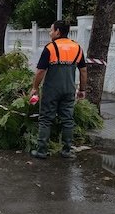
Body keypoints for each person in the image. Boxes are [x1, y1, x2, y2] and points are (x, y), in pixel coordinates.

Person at [30, 20, 88, 159]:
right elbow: (84, 71)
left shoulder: (50, 48)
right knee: (68, 120)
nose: (50, 33)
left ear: (57, 32)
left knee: (45, 119)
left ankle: (42, 151)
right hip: (69, 89)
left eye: (51, 30)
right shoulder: (77, 48)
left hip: (51, 90)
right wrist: (82, 90)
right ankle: (67, 150)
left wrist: (35, 88)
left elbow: (40, 71)